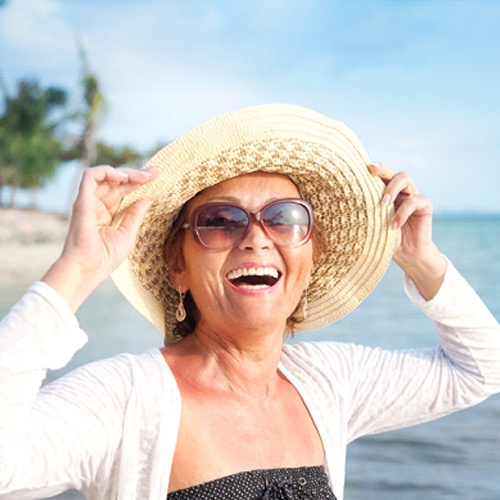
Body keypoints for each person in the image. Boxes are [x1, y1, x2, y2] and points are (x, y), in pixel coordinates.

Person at [1, 104, 499, 500]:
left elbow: (483, 369)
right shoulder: (125, 399)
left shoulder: (331, 382)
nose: (257, 239)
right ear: (178, 268)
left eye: (284, 218)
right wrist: (79, 269)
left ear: (310, 260)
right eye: (220, 220)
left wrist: (423, 262)